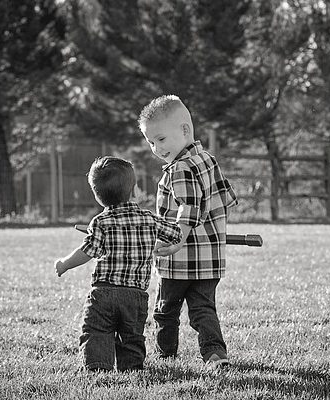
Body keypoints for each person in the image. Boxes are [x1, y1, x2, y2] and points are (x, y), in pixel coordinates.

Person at [54, 156, 182, 372]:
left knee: (96, 330)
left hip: (103, 292)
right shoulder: (149, 219)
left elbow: (88, 251)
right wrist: (154, 240)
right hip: (135, 295)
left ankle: (97, 367)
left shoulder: (101, 222)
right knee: (131, 335)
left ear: (97, 196)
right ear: (133, 189)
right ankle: (131, 369)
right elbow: (176, 233)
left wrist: (65, 263)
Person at [138, 94, 238, 367]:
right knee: (204, 309)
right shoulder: (208, 160)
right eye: (150, 142)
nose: (156, 148)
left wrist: (179, 238)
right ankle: (215, 355)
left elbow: (189, 207)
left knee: (165, 311)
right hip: (209, 260)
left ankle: (165, 355)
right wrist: (211, 230)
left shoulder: (179, 168)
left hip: (177, 260)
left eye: (161, 139)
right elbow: (226, 200)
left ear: (184, 130)